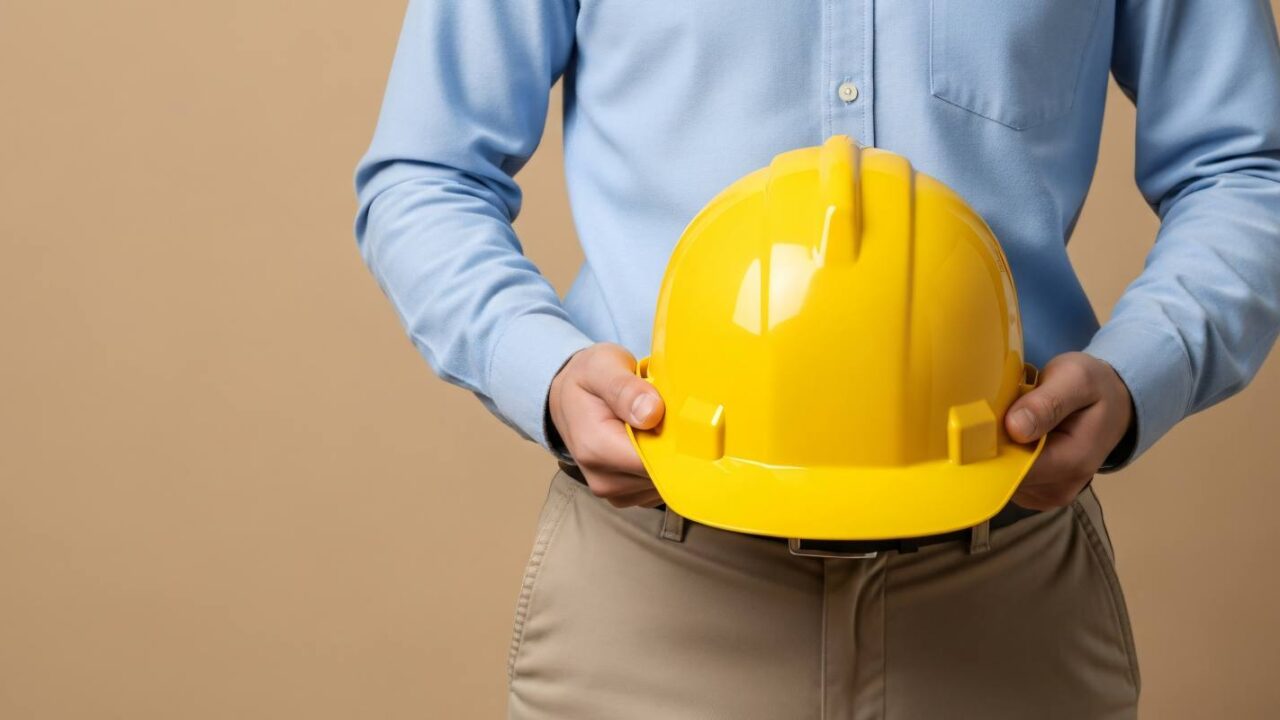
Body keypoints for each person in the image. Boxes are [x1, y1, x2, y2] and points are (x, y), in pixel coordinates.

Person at [354, 2, 1280, 717]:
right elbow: (426, 174)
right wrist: (546, 375)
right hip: (655, 595)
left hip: (1008, 589)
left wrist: (1140, 372)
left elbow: (1246, 170)